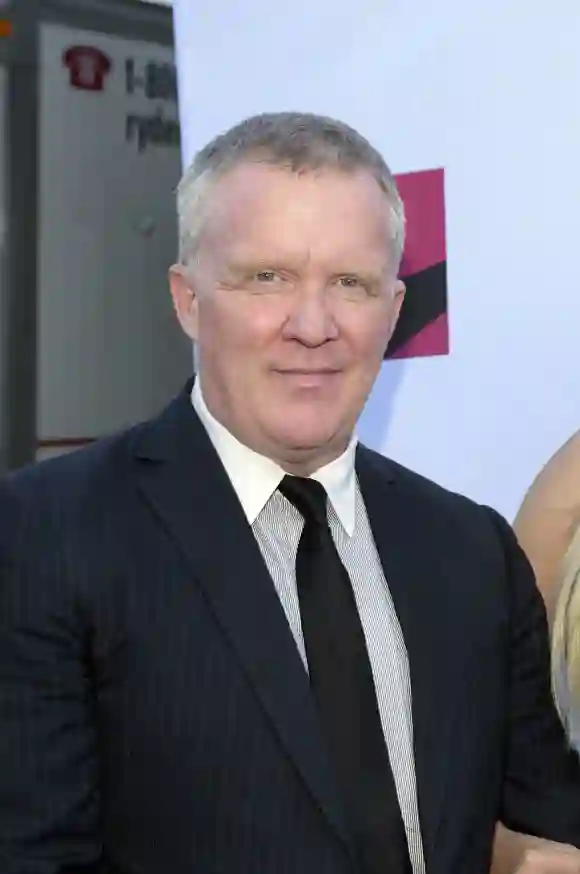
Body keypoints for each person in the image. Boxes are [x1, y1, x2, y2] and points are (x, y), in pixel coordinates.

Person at [1, 112, 579, 874]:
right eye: (266, 278)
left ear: (393, 313)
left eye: (350, 283)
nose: (312, 325)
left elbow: (550, 822)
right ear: (187, 299)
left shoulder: (472, 552)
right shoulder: (47, 533)